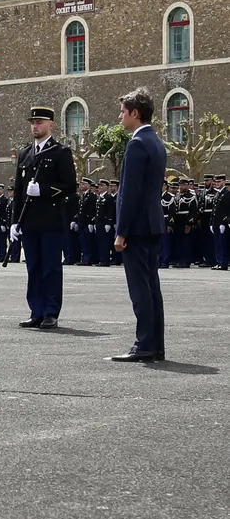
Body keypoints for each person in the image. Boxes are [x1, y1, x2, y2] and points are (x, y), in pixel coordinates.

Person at [110, 88, 167, 362]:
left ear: (135, 113)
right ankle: (155, 344)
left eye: (123, 111)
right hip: (152, 223)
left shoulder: (136, 144)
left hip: (138, 227)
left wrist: (121, 232)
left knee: (140, 288)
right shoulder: (155, 141)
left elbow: (129, 193)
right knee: (152, 287)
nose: (120, 116)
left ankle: (144, 343)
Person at [10, 106, 77, 329]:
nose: (35, 126)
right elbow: (18, 192)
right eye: (33, 122)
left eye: (39, 122)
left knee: (51, 268)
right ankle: (36, 310)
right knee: (34, 268)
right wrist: (14, 221)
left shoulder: (60, 152)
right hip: (29, 221)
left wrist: (44, 190)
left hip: (50, 221)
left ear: (51, 125)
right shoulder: (25, 154)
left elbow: (69, 186)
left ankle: (50, 311)